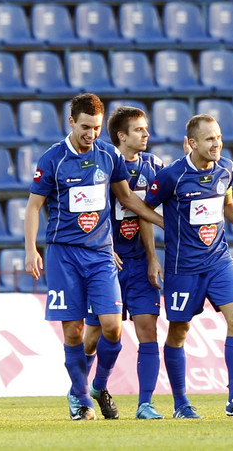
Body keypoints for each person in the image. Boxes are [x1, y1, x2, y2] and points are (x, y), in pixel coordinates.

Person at [24, 93, 165, 421]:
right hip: (64, 253)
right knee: (73, 330)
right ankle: (81, 398)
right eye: (85, 127)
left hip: (102, 253)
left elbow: (128, 199)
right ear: (71, 122)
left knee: (113, 327)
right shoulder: (53, 159)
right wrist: (31, 249)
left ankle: (98, 385)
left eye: (97, 127)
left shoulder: (108, 155)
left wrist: (165, 223)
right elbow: (33, 206)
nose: (91, 134)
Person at [143, 114, 233, 419]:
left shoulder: (226, 169)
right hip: (183, 267)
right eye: (209, 139)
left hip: (218, 260)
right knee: (179, 331)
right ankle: (180, 403)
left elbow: (227, 205)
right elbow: (142, 209)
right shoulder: (171, 177)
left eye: (219, 137)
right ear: (192, 143)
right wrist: (162, 237)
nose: (216, 144)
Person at [76, 106, 166, 420]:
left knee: (148, 330)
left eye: (146, 129)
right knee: (95, 334)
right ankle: (84, 394)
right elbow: (88, 210)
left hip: (139, 263)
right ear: (121, 136)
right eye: (139, 130)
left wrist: (153, 258)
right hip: (105, 261)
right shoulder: (101, 164)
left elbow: (147, 210)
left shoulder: (153, 165)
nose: (146, 135)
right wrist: (101, 246)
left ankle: (145, 404)